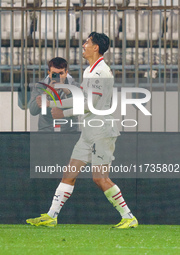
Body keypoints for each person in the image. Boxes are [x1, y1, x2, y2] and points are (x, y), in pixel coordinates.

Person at [26, 32, 138, 229]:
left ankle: (128, 216)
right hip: (88, 131)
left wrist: (62, 111)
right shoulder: (90, 71)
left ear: (96, 47)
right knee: (69, 172)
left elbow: (91, 104)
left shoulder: (100, 72)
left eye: (87, 42)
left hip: (101, 130)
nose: (83, 45)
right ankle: (52, 216)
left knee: (100, 178)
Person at [28, 57, 78, 132]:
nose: (58, 77)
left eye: (61, 73)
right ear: (49, 73)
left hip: (69, 131)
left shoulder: (75, 86)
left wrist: (68, 92)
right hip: (46, 131)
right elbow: (33, 111)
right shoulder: (40, 86)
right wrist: (47, 92)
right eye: (54, 74)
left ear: (66, 73)